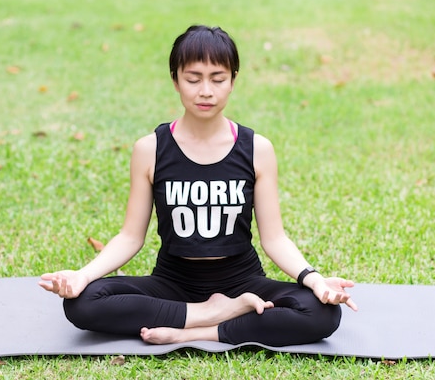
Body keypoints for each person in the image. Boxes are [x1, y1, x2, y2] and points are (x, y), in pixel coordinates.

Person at [39, 25, 357, 347]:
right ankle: (212, 314)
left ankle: (199, 330)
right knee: (83, 303)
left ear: (233, 81)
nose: (206, 91)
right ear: (175, 80)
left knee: (322, 313)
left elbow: (274, 238)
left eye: (218, 79)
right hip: (173, 281)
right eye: (193, 79)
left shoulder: (257, 148)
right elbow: (130, 236)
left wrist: (314, 280)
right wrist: (83, 275)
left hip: (242, 280)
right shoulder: (150, 149)